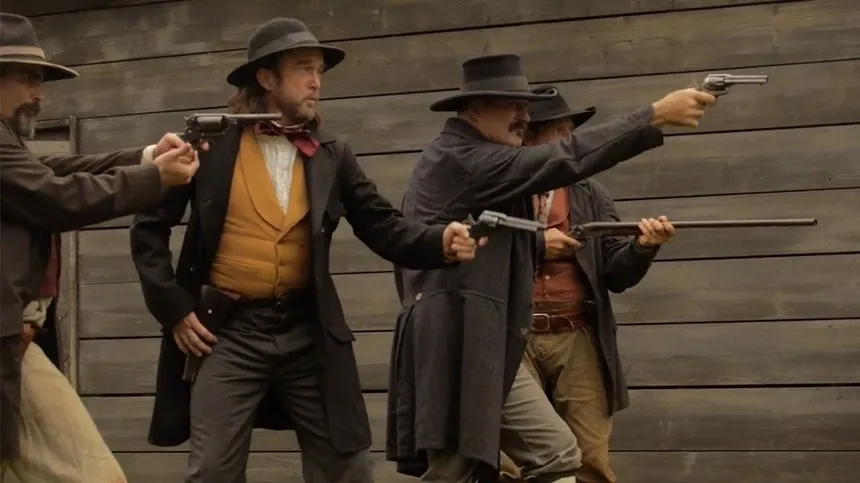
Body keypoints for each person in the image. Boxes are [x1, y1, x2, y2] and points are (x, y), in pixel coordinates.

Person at [128, 18, 482, 483]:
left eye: (319, 70)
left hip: (307, 329)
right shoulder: (209, 144)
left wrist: (440, 240)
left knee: (347, 465)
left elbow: (383, 225)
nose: (316, 81)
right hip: (227, 332)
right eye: (302, 69)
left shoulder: (332, 152)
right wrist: (174, 308)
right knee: (212, 469)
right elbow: (149, 226)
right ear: (267, 78)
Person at [386, 54, 715, 483]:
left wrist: (633, 246)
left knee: (520, 460)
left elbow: (499, 230)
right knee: (486, 466)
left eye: (526, 107)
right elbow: (565, 157)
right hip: (458, 338)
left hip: (480, 339)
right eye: (512, 105)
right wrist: (654, 115)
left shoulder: (481, 158)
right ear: (475, 109)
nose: (523, 116)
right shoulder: (465, 157)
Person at [0, 11, 200, 483]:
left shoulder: (8, 145)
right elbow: (55, 197)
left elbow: (59, 173)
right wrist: (155, 177)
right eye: (29, 78)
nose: (39, 94)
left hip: (16, 347)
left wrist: (148, 156)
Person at [502, 86, 677, 483]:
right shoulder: (501, 192)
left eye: (570, 132)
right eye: (558, 133)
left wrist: (643, 247)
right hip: (513, 332)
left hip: (577, 331)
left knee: (590, 459)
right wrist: (537, 244)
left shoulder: (590, 194)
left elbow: (617, 275)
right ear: (531, 138)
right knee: (508, 464)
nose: (571, 141)